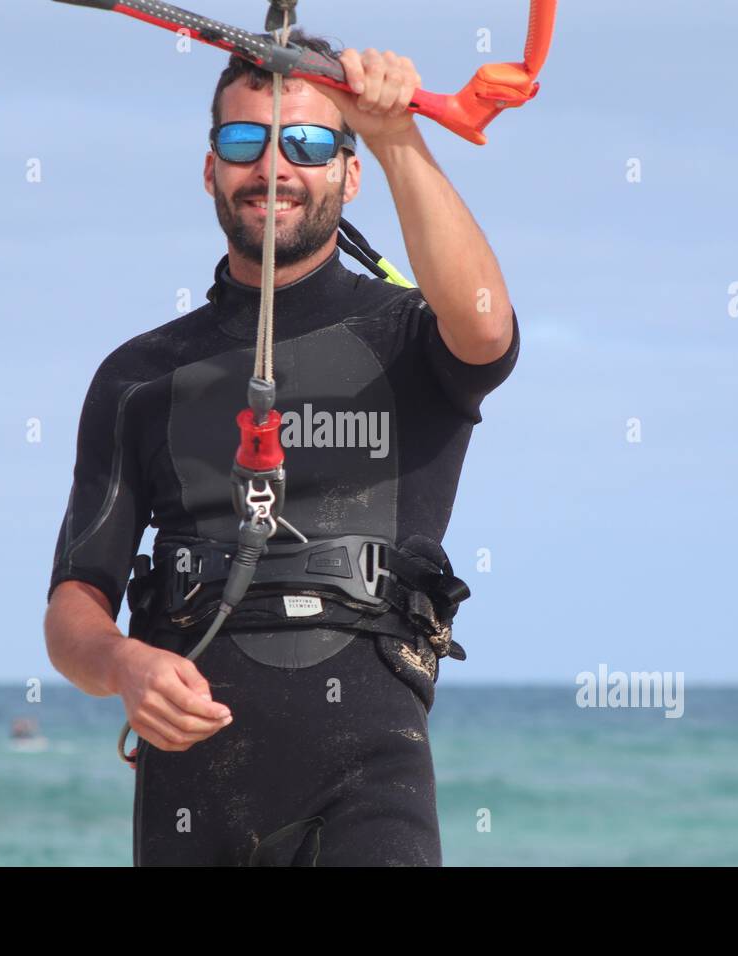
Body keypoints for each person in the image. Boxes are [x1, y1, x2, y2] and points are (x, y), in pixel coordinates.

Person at [43, 30, 519, 866]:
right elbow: (73, 606)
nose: (272, 168)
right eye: (243, 142)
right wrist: (122, 664)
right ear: (208, 170)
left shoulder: (410, 340)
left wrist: (396, 130)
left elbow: (486, 323)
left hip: (372, 786)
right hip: (194, 795)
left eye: (306, 144)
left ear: (349, 170)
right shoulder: (140, 376)